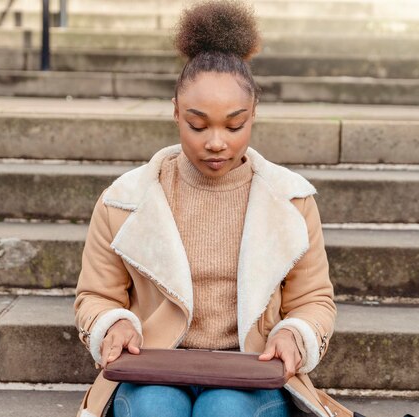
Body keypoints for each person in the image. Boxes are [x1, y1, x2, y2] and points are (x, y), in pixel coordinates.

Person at [74, 1, 350, 416]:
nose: (216, 142)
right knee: (152, 408)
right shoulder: (125, 199)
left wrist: (295, 334)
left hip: (250, 370)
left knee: (224, 410)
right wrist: (114, 323)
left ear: (254, 114)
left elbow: (314, 300)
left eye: (234, 125)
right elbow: (95, 295)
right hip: (155, 365)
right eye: (197, 125)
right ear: (175, 112)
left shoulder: (291, 200)